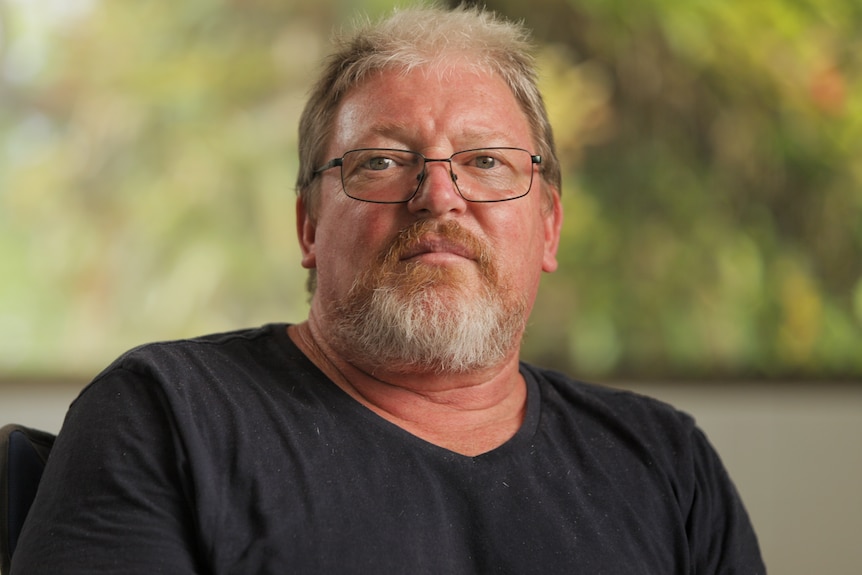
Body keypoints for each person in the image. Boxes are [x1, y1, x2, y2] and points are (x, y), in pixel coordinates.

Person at [12, 5, 765, 574]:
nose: (439, 196)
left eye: (487, 163)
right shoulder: (165, 415)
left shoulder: (667, 466)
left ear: (550, 229)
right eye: (379, 161)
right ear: (308, 227)